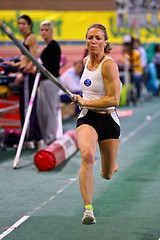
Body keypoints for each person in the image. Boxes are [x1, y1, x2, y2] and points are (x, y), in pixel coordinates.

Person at [71, 23, 122, 224]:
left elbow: (114, 100)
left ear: (105, 41)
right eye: (90, 37)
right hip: (88, 118)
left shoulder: (109, 65)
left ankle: (111, 166)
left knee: (107, 174)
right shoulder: (85, 61)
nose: (93, 41)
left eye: (98, 38)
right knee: (88, 156)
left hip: (108, 120)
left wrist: (86, 101)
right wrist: (80, 100)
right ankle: (88, 209)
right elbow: (86, 96)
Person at [5, 15, 44, 150]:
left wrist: (22, 73)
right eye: (19, 23)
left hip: (28, 76)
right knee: (28, 109)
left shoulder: (31, 38)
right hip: (25, 74)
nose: (20, 26)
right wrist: (14, 64)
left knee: (27, 109)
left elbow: (33, 60)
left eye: (23, 23)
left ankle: (28, 140)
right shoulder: (26, 38)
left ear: (29, 25)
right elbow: (25, 59)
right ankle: (38, 139)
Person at [37, 20, 61, 145]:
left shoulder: (53, 46)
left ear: (51, 31)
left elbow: (53, 66)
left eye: (46, 30)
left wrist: (38, 66)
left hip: (51, 81)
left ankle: (51, 138)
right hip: (43, 81)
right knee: (42, 111)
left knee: (50, 110)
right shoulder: (45, 46)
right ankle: (46, 137)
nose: (44, 32)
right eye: (42, 30)